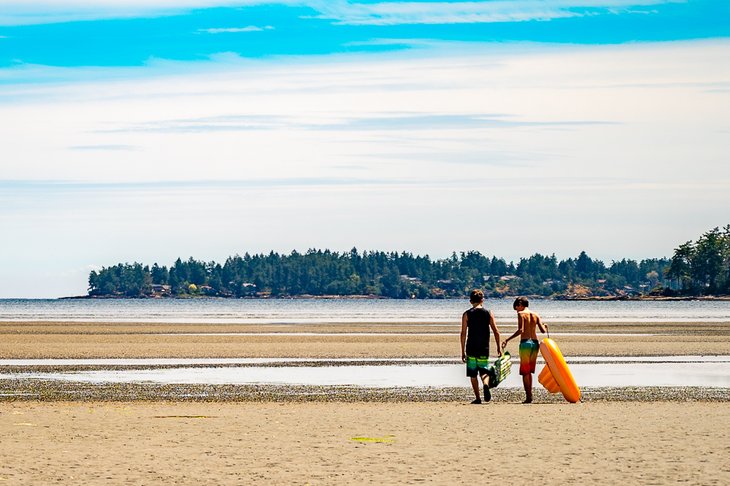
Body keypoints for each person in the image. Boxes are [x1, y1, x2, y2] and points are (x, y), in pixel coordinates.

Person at [502, 296, 548, 404]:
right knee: (529, 372)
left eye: (516, 308)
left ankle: (528, 397)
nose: (516, 311)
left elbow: (521, 330)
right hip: (535, 343)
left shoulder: (521, 314)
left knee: (525, 372)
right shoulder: (536, 314)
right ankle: (529, 395)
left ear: (520, 305)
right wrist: (545, 326)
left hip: (525, 343)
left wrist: (507, 339)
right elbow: (542, 330)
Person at [460, 289, 502, 404]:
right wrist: (499, 347)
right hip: (484, 347)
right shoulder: (488, 313)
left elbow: (463, 333)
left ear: (470, 301)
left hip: (471, 347)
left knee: (473, 374)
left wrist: (462, 351)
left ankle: (478, 398)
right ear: (482, 300)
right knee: (484, 371)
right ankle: (486, 384)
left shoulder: (466, 314)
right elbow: (496, 331)